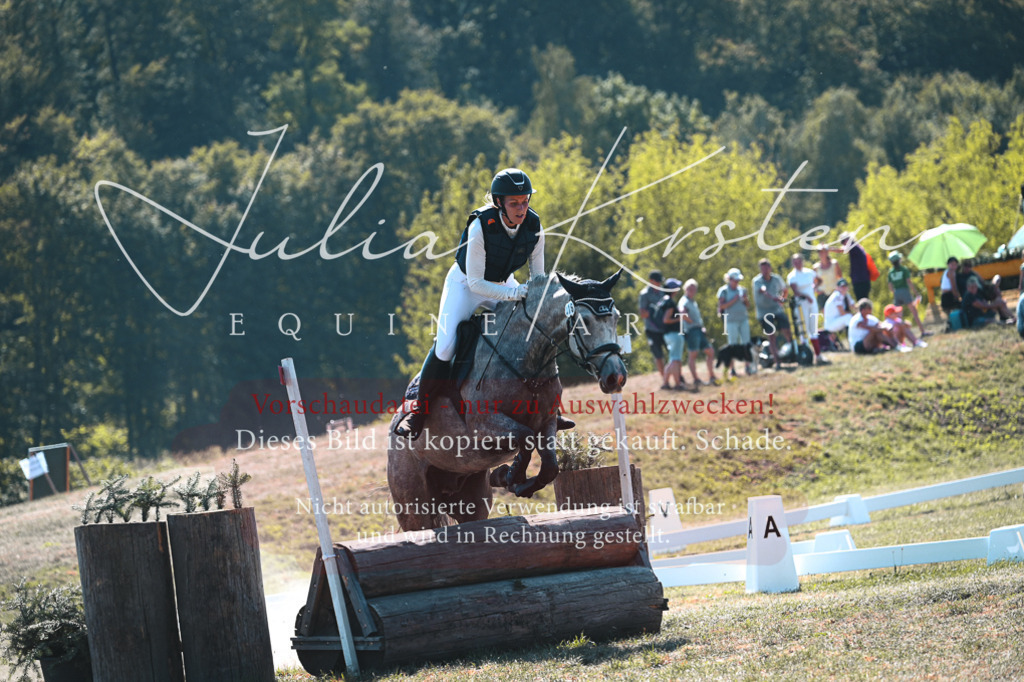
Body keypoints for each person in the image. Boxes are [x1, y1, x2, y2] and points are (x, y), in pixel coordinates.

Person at [393, 168, 543, 439]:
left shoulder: (534, 226)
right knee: (446, 345)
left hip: (502, 282)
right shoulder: (479, 227)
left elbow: (538, 278)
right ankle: (418, 412)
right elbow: (476, 284)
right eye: (514, 203)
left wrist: (533, 300)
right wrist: (516, 294)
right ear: (499, 203)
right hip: (465, 285)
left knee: (531, 330)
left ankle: (544, 404)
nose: (521, 209)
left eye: (525, 201)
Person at [752, 258, 793, 367]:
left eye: (766, 268)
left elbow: (785, 290)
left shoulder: (776, 278)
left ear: (770, 268)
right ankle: (777, 360)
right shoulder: (757, 281)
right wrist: (774, 298)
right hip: (764, 312)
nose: (765, 271)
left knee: (787, 329)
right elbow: (764, 290)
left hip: (777, 309)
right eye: (762, 268)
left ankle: (792, 350)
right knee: (771, 335)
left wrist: (782, 299)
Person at [787, 253, 826, 364]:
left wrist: (814, 288)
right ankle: (806, 355)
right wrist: (806, 296)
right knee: (803, 329)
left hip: (811, 303)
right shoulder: (792, 276)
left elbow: (819, 280)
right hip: (801, 304)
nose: (798, 264)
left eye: (799, 261)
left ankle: (818, 355)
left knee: (813, 328)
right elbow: (795, 291)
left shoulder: (809, 272)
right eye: (795, 262)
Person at [679, 279, 719, 386]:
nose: (692, 290)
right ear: (685, 289)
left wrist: (701, 326)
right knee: (693, 355)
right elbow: (682, 313)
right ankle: (696, 379)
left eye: (693, 288)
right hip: (692, 331)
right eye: (689, 288)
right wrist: (691, 322)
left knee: (710, 351)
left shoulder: (693, 301)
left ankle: (712, 376)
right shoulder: (684, 301)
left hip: (699, 330)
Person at [717, 267, 753, 375]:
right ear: (730, 279)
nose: (737, 282)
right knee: (732, 345)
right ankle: (732, 369)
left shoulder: (742, 289)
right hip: (731, 320)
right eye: (735, 280)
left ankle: (747, 366)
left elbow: (747, 305)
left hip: (743, 319)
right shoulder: (723, 291)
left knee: (746, 343)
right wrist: (735, 299)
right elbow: (722, 306)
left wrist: (745, 299)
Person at [886, 251, 928, 337]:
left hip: (897, 292)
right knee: (914, 312)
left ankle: (897, 335)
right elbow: (909, 282)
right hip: (905, 291)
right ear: (899, 260)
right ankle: (922, 331)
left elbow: (890, 286)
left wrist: (895, 293)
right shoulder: (904, 269)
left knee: (897, 316)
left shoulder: (891, 272)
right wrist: (916, 293)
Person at [658, 278, 689, 391]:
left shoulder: (663, 301)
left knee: (673, 359)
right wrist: (680, 318)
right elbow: (666, 319)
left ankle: (666, 383)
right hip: (674, 334)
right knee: (675, 360)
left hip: (667, 335)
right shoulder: (670, 303)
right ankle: (677, 384)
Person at [638, 270, 667, 378]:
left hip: (664, 328)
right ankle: (664, 377)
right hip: (652, 329)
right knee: (658, 355)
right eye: (657, 281)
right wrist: (654, 312)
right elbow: (643, 313)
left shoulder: (662, 292)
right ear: (651, 281)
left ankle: (674, 375)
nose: (659, 283)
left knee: (670, 352)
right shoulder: (644, 294)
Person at [839, 232, 872, 300]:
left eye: (844, 241)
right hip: (862, 280)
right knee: (864, 301)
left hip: (860, 281)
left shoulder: (853, 247)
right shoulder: (857, 247)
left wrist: (828, 249)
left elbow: (843, 250)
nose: (844, 243)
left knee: (862, 303)